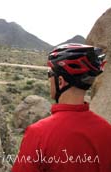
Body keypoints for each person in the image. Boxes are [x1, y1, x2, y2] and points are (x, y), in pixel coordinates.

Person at [12, 43, 111, 172]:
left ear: (60, 81)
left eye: (50, 74)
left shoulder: (38, 134)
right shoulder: (107, 131)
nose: (49, 79)